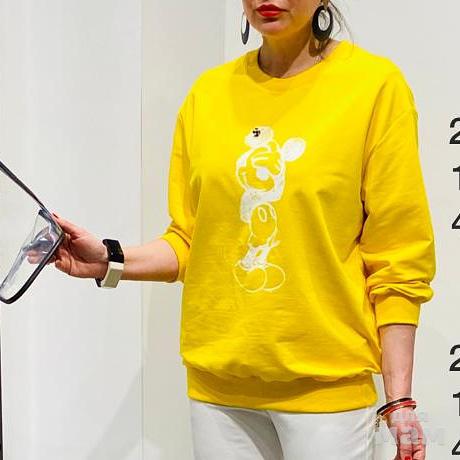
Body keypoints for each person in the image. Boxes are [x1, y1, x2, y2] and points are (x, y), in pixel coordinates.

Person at [41, 1, 436, 458]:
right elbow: (192, 240)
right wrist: (109, 260)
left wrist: (399, 399)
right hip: (218, 392)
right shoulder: (207, 95)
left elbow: (398, 255)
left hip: (326, 395)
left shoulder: (373, 87)